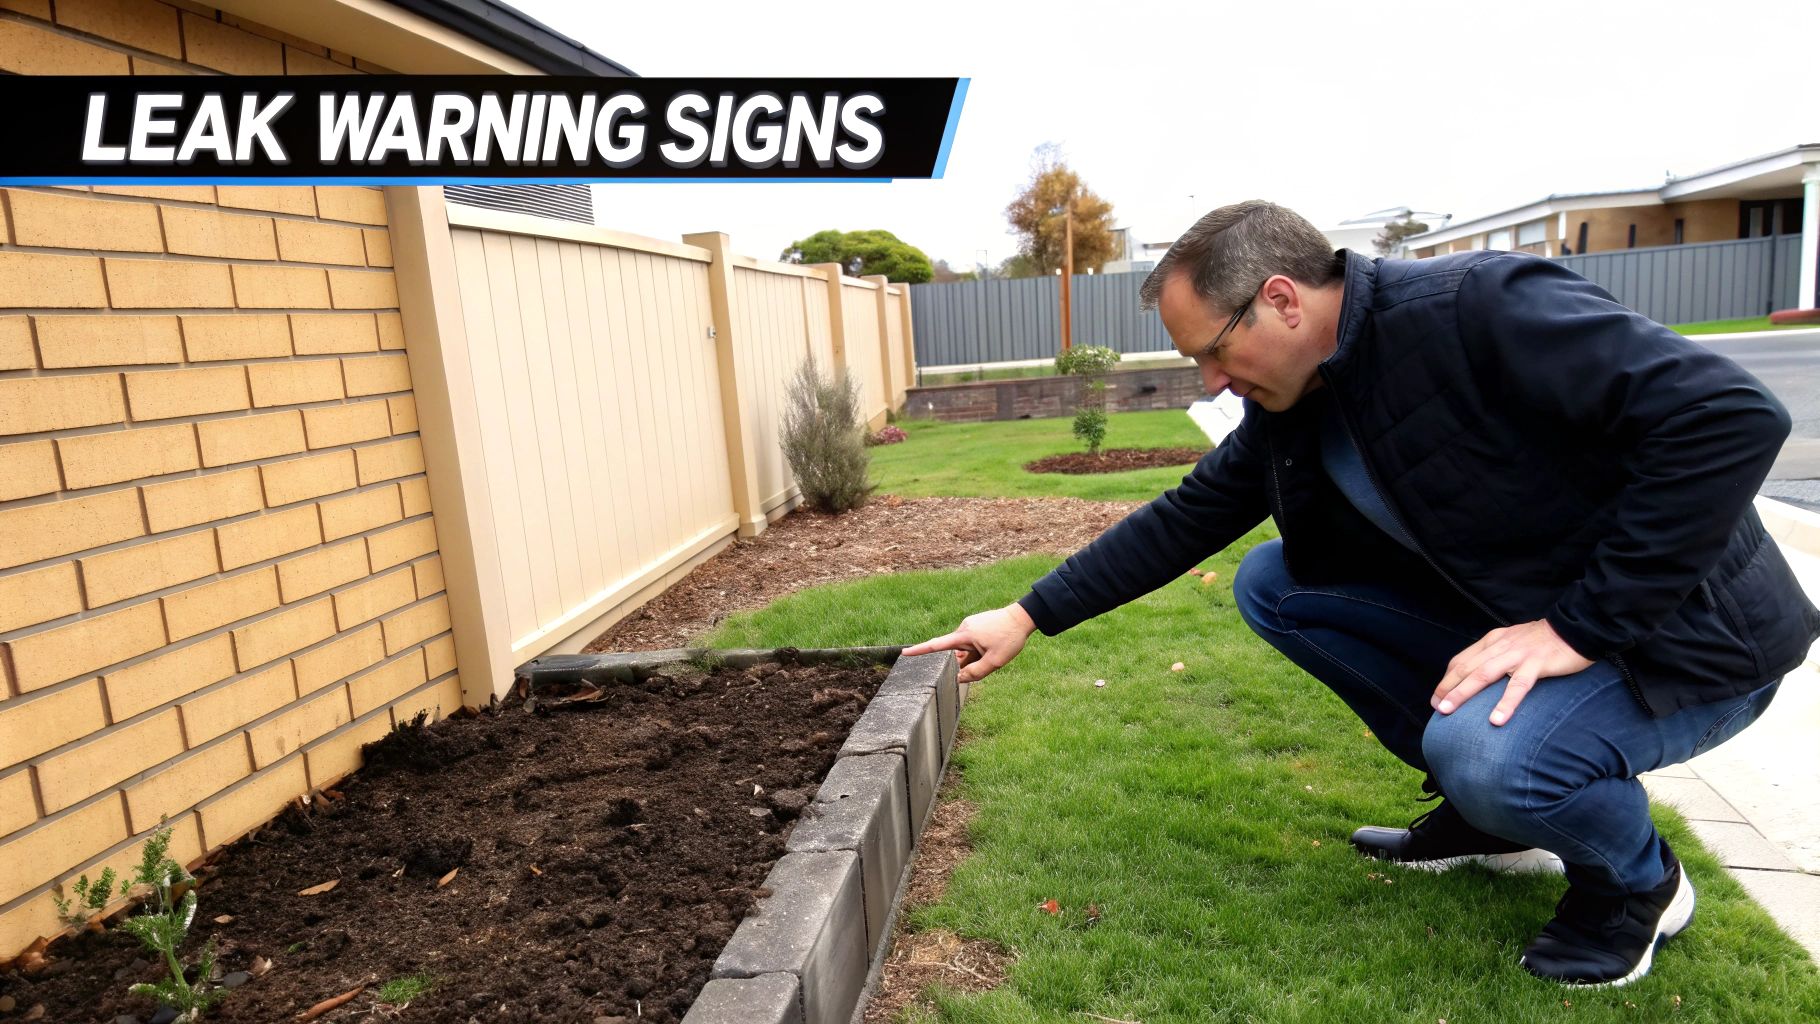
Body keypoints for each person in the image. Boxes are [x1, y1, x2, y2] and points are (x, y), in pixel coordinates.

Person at [903, 200, 1819, 988]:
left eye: (1213, 354)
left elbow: (1730, 417)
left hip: (1694, 648)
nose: (1211, 383)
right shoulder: (1296, 402)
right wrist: (1026, 614)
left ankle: (1637, 882)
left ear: (1281, 299)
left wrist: (1578, 627)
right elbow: (1186, 517)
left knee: (1494, 758)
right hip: (1548, 624)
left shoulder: (1482, 308)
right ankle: (1490, 825)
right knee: (1276, 582)